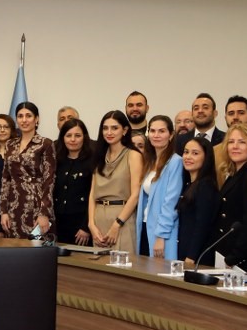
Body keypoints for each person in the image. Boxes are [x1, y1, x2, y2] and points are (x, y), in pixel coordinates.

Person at [0, 101, 56, 239]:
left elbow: (49, 180)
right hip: (13, 206)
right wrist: (3, 211)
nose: (24, 120)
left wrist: (44, 213)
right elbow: (6, 179)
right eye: (20, 116)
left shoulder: (45, 143)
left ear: (37, 119)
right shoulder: (10, 144)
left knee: (37, 246)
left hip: (36, 206)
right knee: (13, 249)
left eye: (28, 116)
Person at [88, 111, 140, 252]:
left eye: (114, 128)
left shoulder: (133, 155)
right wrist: (91, 224)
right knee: (99, 264)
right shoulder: (99, 156)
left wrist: (117, 224)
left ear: (125, 130)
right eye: (105, 128)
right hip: (98, 218)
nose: (109, 132)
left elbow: (135, 195)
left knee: (123, 263)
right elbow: (92, 194)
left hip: (122, 218)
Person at [214, 123, 247, 272]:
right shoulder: (234, 174)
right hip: (226, 250)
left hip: (241, 257)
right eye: (231, 142)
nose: (235, 146)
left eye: (242, 142)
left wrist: (236, 255)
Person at [135, 115, 179, 257]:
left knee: (158, 268)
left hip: (162, 232)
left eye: (161, 131)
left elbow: (171, 203)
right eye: (152, 131)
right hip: (145, 225)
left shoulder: (176, 162)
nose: (156, 135)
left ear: (171, 135)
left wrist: (161, 236)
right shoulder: (150, 162)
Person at [176, 136, 220, 265]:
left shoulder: (206, 185)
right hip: (184, 249)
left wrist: (191, 256)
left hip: (196, 257)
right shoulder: (189, 184)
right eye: (186, 152)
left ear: (206, 158)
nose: (188, 157)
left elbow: (203, 224)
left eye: (195, 153)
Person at [52, 118, 95, 246]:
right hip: (58, 223)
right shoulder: (56, 161)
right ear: (62, 138)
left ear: (84, 137)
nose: (72, 139)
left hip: (81, 226)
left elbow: (94, 196)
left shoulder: (92, 161)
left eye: (77, 135)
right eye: (68, 135)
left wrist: (86, 227)